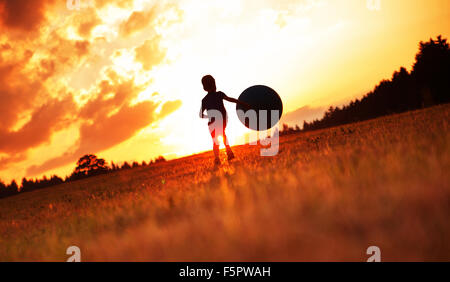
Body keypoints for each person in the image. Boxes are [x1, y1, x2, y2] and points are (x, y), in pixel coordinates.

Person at [199, 75, 250, 165]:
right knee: (221, 135)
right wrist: (241, 102)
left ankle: (218, 157)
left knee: (217, 139)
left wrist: (209, 117)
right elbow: (230, 99)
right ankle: (227, 152)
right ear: (214, 85)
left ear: (204, 88)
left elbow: (201, 115)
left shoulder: (205, 99)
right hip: (219, 120)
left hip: (213, 122)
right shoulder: (219, 94)